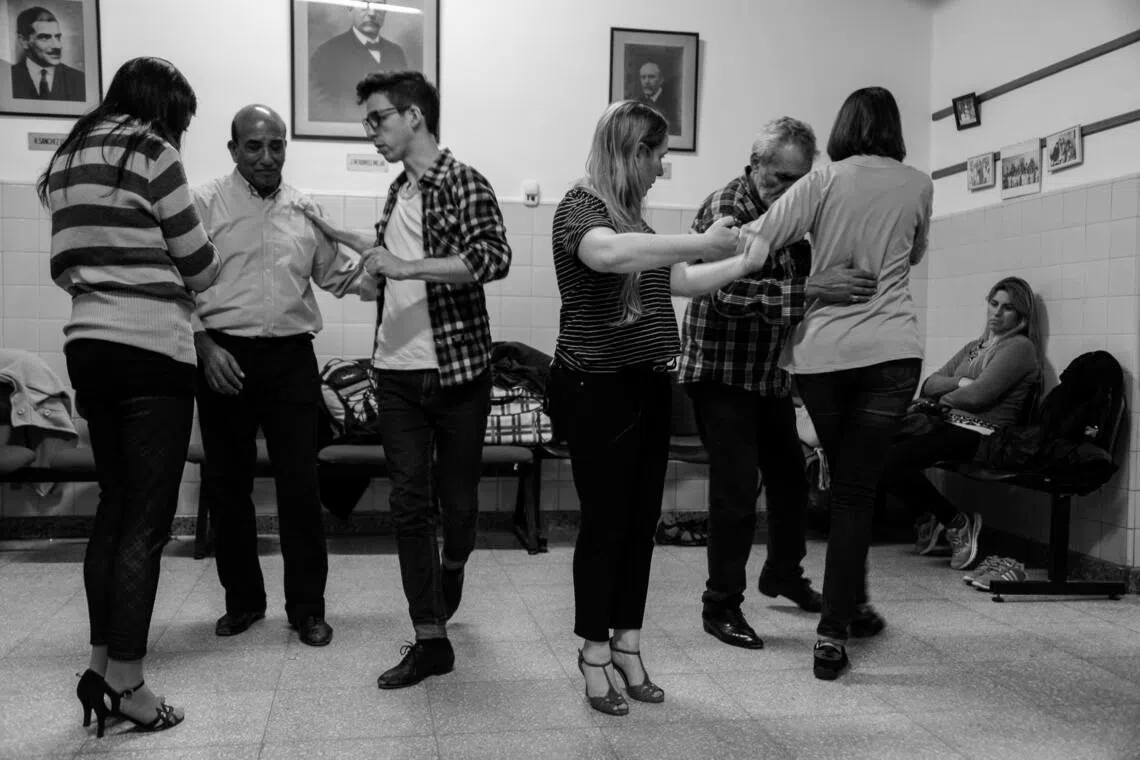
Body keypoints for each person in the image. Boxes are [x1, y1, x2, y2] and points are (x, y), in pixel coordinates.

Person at [299, 71, 511, 689]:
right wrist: (339, 235)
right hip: (394, 372)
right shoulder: (398, 190)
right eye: (367, 121)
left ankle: (455, 561)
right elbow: (386, 253)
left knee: (459, 506)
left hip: (458, 373)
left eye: (379, 118)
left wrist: (405, 265)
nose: (371, 131)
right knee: (408, 505)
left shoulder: (464, 181)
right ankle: (430, 638)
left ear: (414, 115)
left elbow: (492, 257)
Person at [547, 100, 749, 716]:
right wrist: (705, 240)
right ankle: (593, 652)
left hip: (647, 385)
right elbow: (608, 256)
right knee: (606, 524)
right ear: (634, 152)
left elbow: (678, 281)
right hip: (595, 389)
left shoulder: (634, 218)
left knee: (641, 524)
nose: (663, 168)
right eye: (659, 155)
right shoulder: (579, 209)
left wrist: (743, 261)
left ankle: (627, 644)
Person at [38, 56, 219, 735]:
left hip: (88, 344)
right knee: (147, 523)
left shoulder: (68, 158)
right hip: (150, 349)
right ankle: (130, 685)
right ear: (163, 109)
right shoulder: (151, 151)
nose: (179, 133)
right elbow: (200, 264)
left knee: (113, 512)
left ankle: (100, 667)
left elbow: (63, 267)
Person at [737, 86, 933, 681]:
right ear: (895, 128)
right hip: (892, 351)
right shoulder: (920, 184)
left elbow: (759, 239)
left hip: (824, 354)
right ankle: (834, 630)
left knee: (847, 483)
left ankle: (847, 611)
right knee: (856, 490)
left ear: (844, 127)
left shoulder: (821, 181)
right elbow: (914, 254)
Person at [679, 117, 880, 650]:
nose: (788, 189)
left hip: (768, 377)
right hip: (720, 373)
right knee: (736, 494)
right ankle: (720, 605)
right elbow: (725, 295)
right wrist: (812, 288)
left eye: (798, 179)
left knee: (791, 483)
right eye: (779, 177)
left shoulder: (794, 215)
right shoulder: (727, 208)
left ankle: (783, 574)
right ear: (755, 166)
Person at [191, 104, 377, 648]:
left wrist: (391, 268)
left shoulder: (304, 208)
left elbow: (340, 277)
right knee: (228, 487)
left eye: (276, 145)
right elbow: (176, 283)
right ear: (233, 150)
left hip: (292, 358)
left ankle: (308, 609)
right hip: (223, 357)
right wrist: (203, 344)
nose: (267, 156)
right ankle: (244, 602)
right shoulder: (203, 204)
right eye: (254, 146)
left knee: (300, 487)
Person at [880, 277, 1041, 570]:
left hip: (984, 433)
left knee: (892, 459)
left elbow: (979, 396)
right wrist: (962, 382)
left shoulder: (1020, 347)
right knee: (877, 448)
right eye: (994, 304)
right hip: (951, 424)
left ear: (1021, 316)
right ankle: (928, 515)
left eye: (1007, 308)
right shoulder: (975, 347)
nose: (997, 313)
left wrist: (945, 398)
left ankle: (955, 522)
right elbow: (929, 383)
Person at [309, 7, 407, 123]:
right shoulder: (326, 53)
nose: (372, 13)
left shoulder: (397, 53)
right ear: (350, 9)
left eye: (378, 5)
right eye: (364, 5)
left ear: (385, 11)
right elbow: (322, 108)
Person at [11, 6, 85, 101]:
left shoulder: (79, 80)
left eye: (57, 37)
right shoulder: (7, 78)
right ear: (24, 41)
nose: (57, 46)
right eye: (45, 37)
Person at [634, 62, 680, 135]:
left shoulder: (673, 103)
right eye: (643, 77)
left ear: (661, 80)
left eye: (651, 77)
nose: (646, 81)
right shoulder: (636, 102)